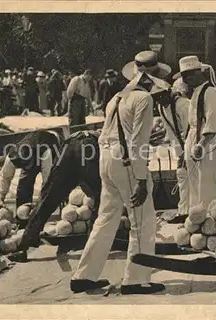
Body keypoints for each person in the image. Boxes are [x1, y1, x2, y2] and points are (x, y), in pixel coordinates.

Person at [70, 51, 171, 295]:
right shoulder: (143, 99)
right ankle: (135, 280)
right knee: (142, 220)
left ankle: (84, 276)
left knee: (106, 217)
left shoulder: (116, 97)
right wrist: (139, 179)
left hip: (107, 159)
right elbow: (137, 142)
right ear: (152, 77)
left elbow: (108, 134)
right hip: (126, 162)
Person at [17, 130, 102, 252]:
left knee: (49, 197)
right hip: (89, 147)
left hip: (70, 144)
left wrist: (61, 188)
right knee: (99, 196)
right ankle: (93, 243)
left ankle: (26, 242)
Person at [179, 55, 216, 210]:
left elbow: (213, 122)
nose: (185, 79)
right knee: (193, 185)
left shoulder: (212, 93)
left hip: (206, 144)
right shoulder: (195, 93)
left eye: (188, 75)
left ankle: (208, 217)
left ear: (199, 73)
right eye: (183, 76)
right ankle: (195, 217)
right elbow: (191, 123)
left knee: (205, 185)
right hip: (192, 140)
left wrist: (201, 145)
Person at [0, 130, 63, 221]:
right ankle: (22, 218)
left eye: (29, 164)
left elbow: (47, 180)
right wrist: (1, 198)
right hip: (34, 145)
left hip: (53, 144)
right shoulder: (12, 157)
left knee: (59, 178)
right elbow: (5, 178)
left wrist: (41, 202)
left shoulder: (45, 153)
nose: (27, 167)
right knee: (24, 183)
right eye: (25, 165)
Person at [157, 79, 191, 219]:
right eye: (155, 98)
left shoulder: (183, 105)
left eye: (161, 96)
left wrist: (186, 153)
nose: (159, 100)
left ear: (168, 92)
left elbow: (191, 131)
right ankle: (184, 211)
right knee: (182, 175)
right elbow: (172, 133)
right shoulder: (161, 107)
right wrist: (179, 154)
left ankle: (191, 211)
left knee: (194, 181)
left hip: (196, 147)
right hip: (182, 148)